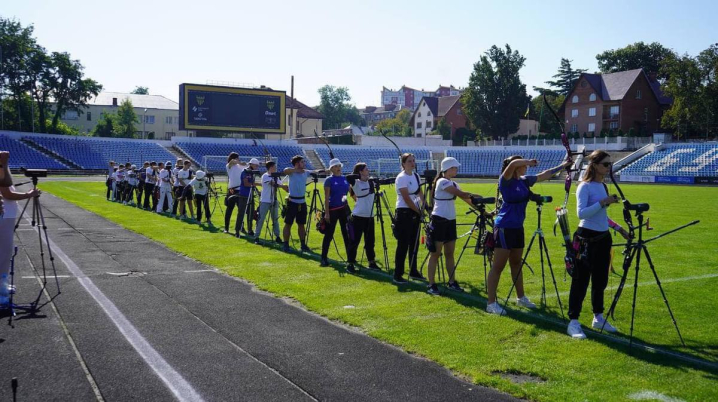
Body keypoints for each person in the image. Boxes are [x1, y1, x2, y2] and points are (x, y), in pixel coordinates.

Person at [485, 156, 570, 315]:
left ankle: (521, 297)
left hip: (517, 227)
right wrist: (528, 161)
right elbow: (512, 164)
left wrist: (563, 166)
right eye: (524, 165)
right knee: (498, 266)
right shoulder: (506, 180)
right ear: (518, 167)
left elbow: (544, 174)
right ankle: (491, 303)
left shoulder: (524, 180)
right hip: (504, 227)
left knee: (516, 263)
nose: (527, 168)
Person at [567, 150, 630, 339]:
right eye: (605, 164)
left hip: (603, 238)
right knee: (580, 281)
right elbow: (582, 214)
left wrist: (619, 229)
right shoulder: (584, 187)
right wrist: (603, 202)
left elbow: (602, 216)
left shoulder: (602, 186)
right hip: (586, 238)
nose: (608, 167)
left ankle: (598, 316)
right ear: (594, 165)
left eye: (609, 164)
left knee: (600, 280)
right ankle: (573, 321)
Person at [426, 157, 477, 296]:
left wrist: (483, 210)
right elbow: (461, 194)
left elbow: (466, 199)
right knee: (435, 254)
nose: (456, 170)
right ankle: (431, 284)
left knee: (449, 253)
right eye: (454, 168)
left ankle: (452, 281)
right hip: (439, 220)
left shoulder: (453, 183)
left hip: (450, 221)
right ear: (447, 169)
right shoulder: (442, 182)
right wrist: (477, 196)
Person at [0, 152, 41, 308]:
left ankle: (3, 285)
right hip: (4, 216)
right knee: (4, 253)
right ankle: (1, 292)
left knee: (6, 251)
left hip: (6, 216)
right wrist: (29, 194)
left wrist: (5, 164)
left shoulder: (3, 170)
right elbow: (7, 193)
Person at [393, 153, 426, 285]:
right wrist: (419, 210)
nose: (412, 163)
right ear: (403, 164)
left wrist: (423, 206)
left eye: (413, 161)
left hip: (414, 212)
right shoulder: (401, 177)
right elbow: (406, 199)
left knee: (414, 243)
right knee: (403, 244)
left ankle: (413, 270)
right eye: (409, 161)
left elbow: (419, 193)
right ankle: (398, 274)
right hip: (404, 213)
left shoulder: (416, 176)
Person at [281, 155, 323, 253]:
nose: (304, 163)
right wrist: (297, 170)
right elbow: (286, 170)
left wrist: (328, 170)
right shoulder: (292, 173)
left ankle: (303, 244)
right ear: (297, 164)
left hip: (302, 202)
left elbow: (317, 171)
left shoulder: (305, 172)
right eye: (302, 162)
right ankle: (286, 244)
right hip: (292, 202)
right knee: (288, 224)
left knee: (301, 224)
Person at [345, 163, 381, 273]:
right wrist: (362, 177)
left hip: (370, 216)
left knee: (370, 241)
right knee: (354, 241)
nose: (368, 170)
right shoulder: (356, 182)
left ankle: (371, 262)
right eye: (366, 169)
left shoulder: (371, 182)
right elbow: (348, 177)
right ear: (360, 171)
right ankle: (350, 263)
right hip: (358, 217)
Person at [319, 158, 351, 268]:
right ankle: (323, 258)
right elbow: (326, 198)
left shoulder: (345, 179)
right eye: (335, 166)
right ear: (331, 168)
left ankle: (350, 258)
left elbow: (350, 193)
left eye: (339, 166)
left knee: (346, 234)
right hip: (332, 210)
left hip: (344, 209)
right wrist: (327, 213)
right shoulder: (329, 180)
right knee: (329, 234)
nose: (338, 168)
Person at [254, 161, 287, 244]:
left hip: (274, 201)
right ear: (271, 167)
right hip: (265, 201)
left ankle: (277, 236)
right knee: (261, 219)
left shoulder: (276, 176)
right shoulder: (265, 176)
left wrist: (286, 187)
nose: (275, 168)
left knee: (275, 219)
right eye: (274, 167)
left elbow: (281, 185)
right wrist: (282, 186)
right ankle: (256, 236)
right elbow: (273, 184)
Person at [224, 152, 247, 234]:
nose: (238, 159)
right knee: (229, 209)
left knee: (241, 210)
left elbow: (250, 167)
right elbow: (232, 162)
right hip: (232, 190)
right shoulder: (229, 166)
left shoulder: (241, 166)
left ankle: (241, 227)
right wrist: (240, 162)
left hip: (240, 190)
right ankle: (226, 228)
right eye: (237, 158)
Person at [235, 158, 260, 237]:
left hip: (250, 195)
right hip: (244, 195)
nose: (257, 167)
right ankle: (237, 230)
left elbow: (252, 183)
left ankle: (250, 230)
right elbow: (246, 184)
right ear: (251, 164)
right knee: (241, 213)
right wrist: (258, 184)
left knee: (251, 213)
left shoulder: (252, 173)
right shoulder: (245, 172)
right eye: (256, 165)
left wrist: (257, 191)